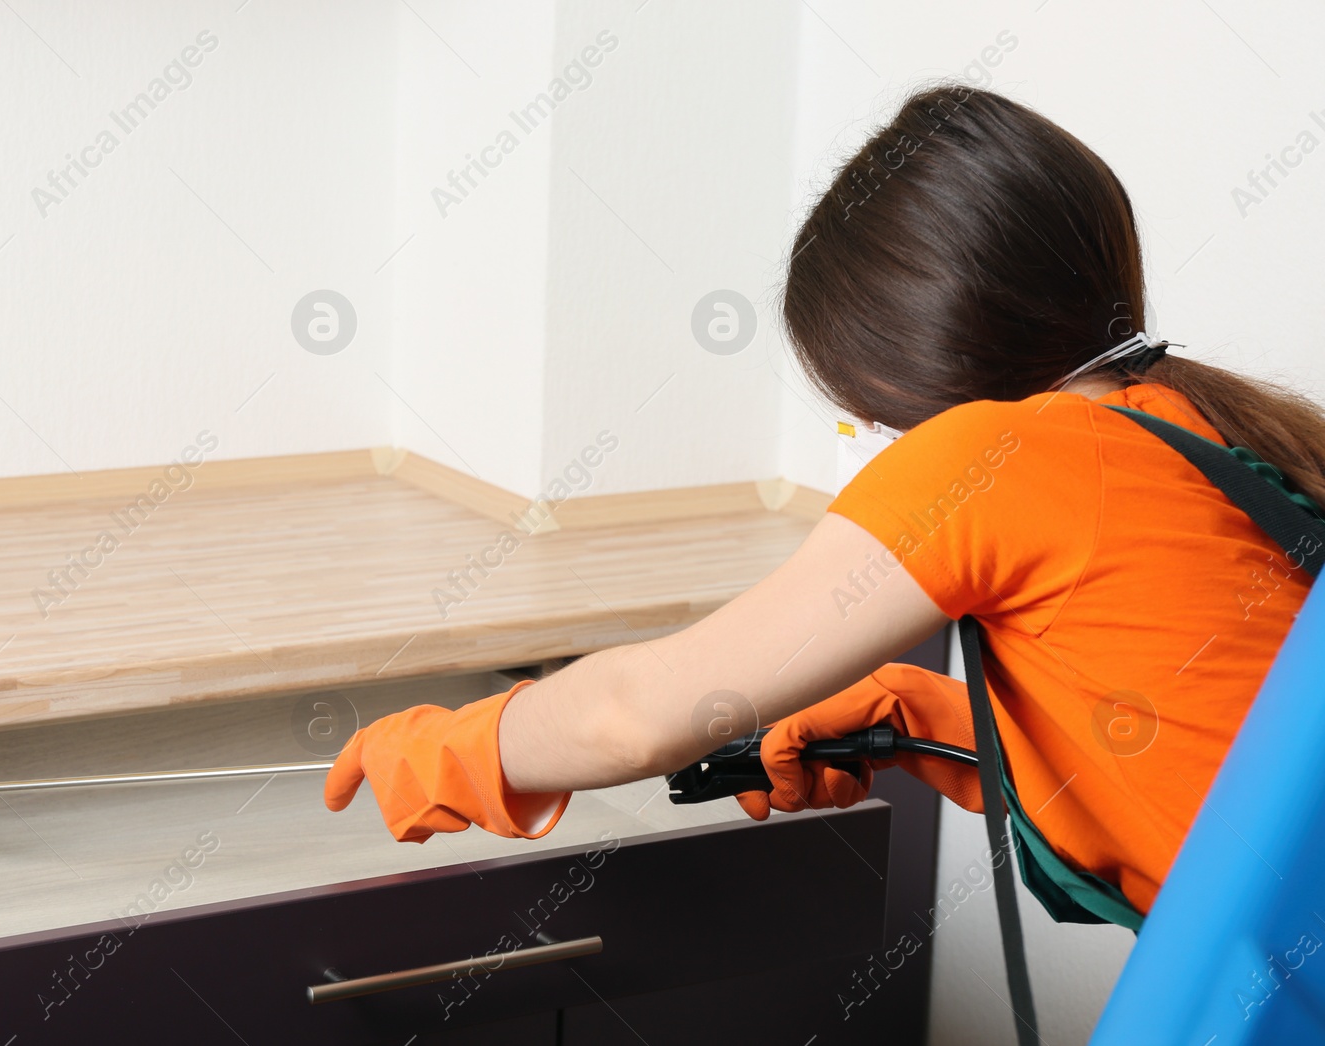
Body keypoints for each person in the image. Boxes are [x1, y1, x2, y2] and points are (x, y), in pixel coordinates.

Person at [323, 83, 1325, 924]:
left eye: (872, 417)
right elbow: (1213, 725)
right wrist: (935, 723)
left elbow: (643, 713)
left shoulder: (997, 453)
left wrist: (457, 746)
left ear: (917, 361)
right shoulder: (1204, 424)